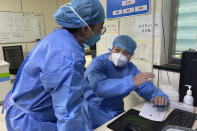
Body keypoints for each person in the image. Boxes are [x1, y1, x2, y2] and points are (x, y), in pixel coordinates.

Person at [2, 0, 105, 131]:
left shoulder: (59, 36)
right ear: (85, 28)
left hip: (21, 107)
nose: (100, 32)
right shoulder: (68, 57)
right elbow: (68, 113)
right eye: (100, 28)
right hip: (30, 123)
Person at [82, 35, 170, 129]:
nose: (120, 55)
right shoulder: (98, 64)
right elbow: (99, 88)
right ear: (111, 49)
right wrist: (131, 82)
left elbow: (143, 85)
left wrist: (156, 96)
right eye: (117, 50)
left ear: (131, 56)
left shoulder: (130, 68)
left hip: (116, 111)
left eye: (126, 53)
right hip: (93, 111)